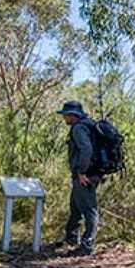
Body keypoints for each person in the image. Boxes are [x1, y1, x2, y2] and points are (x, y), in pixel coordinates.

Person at [57, 100, 101, 255]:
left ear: (72, 115)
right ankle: (71, 238)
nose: (64, 118)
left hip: (85, 175)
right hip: (90, 173)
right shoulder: (88, 125)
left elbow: (86, 149)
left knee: (89, 209)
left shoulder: (78, 128)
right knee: (75, 206)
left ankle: (87, 245)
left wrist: (82, 172)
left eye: (65, 115)